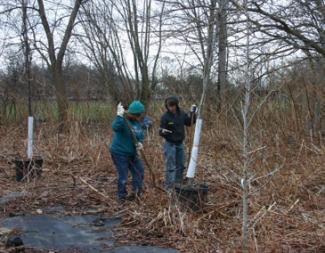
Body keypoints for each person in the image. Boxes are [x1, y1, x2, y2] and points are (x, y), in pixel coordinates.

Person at [110, 100, 145, 203]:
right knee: (123, 175)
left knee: (139, 172)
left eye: (139, 115)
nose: (138, 116)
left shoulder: (137, 123)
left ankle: (136, 193)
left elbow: (140, 135)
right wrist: (119, 116)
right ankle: (121, 196)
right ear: (132, 113)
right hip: (119, 153)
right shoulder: (123, 121)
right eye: (137, 115)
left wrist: (140, 143)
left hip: (133, 153)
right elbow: (115, 127)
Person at [159, 96, 197, 191]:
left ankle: (178, 184)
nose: (171, 108)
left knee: (180, 164)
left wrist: (193, 114)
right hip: (170, 144)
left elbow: (189, 123)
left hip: (180, 143)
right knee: (170, 166)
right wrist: (163, 132)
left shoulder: (182, 114)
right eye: (169, 106)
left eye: (173, 106)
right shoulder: (165, 117)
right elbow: (161, 130)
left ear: (176, 105)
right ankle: (169, 187)